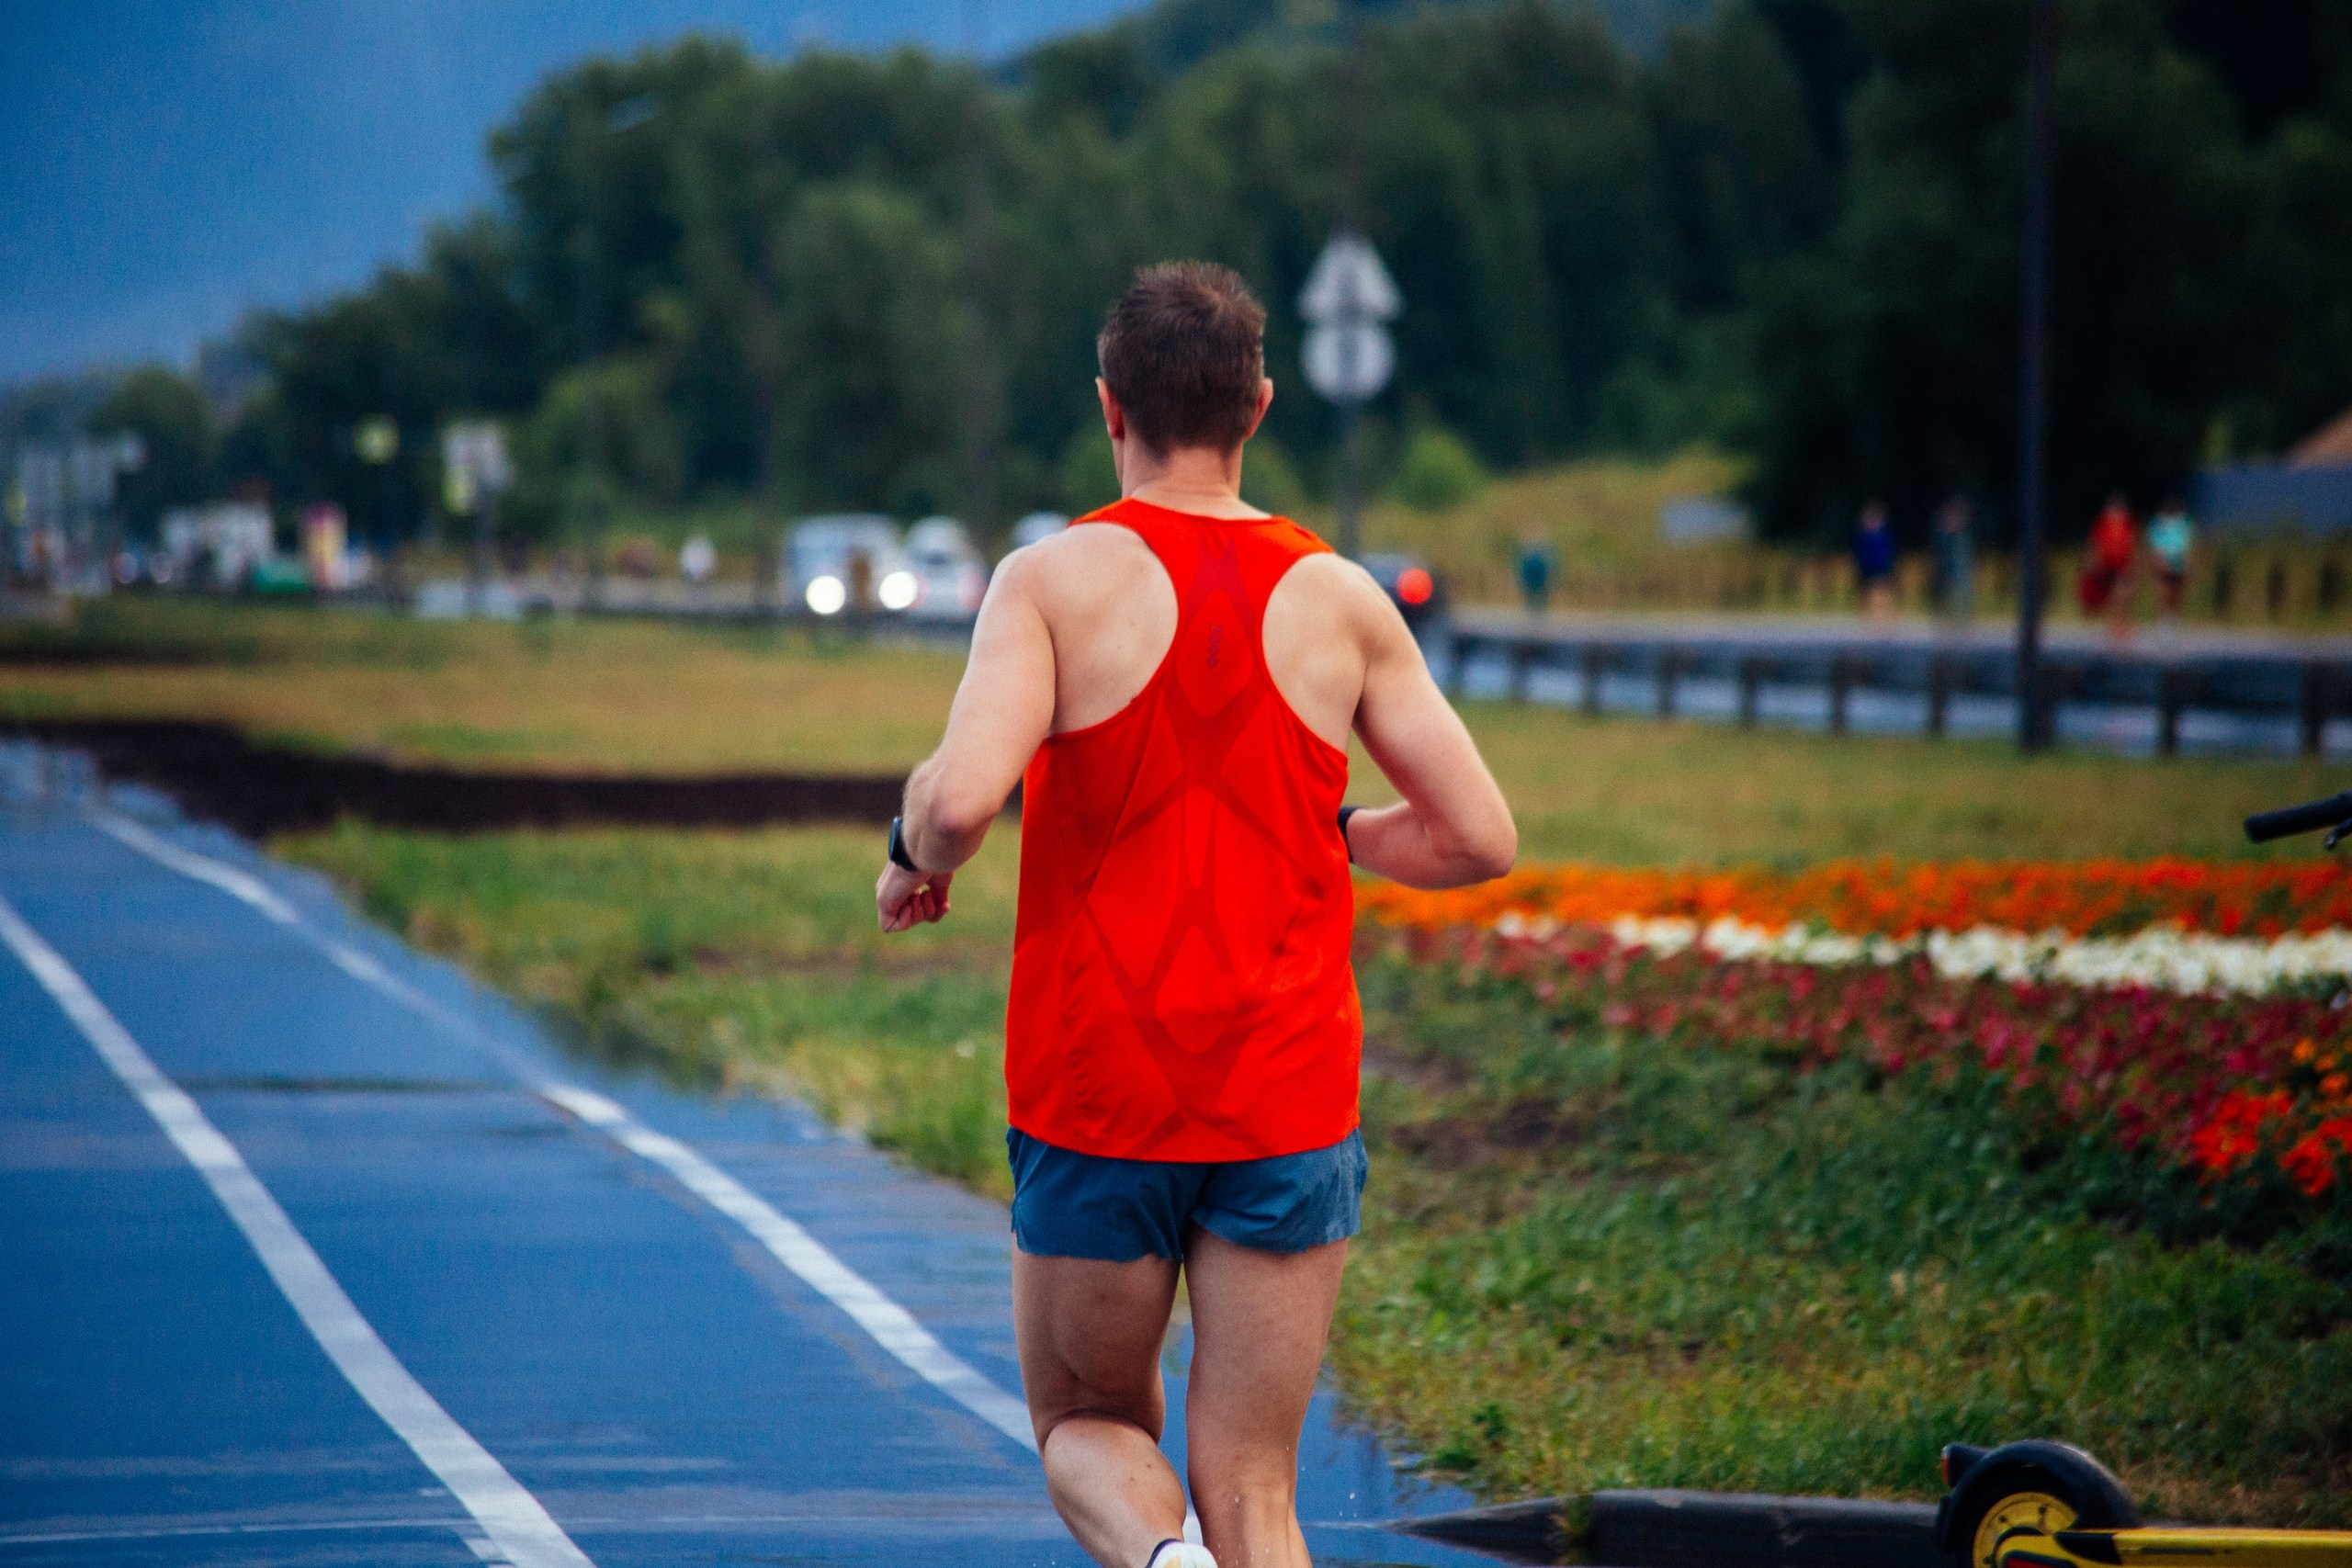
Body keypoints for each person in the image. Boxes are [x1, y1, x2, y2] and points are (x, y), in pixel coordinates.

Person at [875, 263, 1516, 1568]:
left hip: (1098, 1091)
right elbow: (1480, 837)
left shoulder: (1047, 583)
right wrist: (1344, 833)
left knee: (1089, 1419)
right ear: (1261, 407)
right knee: (1257, 1487)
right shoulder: (1344, 597)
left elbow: (956, 814)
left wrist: (907, 838)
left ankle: (1161, 1563)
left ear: (1109, 407)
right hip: (1282, 1096)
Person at [2079, 491, 2138, 641]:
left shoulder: (2128, 523)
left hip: (2122, 564)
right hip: (2106, 565)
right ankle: (2114, 625)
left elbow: (2131, 544)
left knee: (2122, 595)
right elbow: (2095, 543)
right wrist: (2092, 562)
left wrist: (2133, 563)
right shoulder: (2103, 523)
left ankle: (2121, 625)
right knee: (2109, 597)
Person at [2146, 495, 2195, 632]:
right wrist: (2157, 560)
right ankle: (2163, 623)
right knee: (2163, 592)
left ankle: (2173, 620)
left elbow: (2187, 543)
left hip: (2178, 560)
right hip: (2164, 559)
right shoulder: (2158, 523)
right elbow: (2155, 543)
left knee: (2176, 593)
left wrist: (2187, 561)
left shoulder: (2183, 523)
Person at [1931, 494, 1974, 625]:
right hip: (1946, 570)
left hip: (1960, 571)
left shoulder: (1963, 535)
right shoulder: (1943, 535)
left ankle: (1962, 622)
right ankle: (1946, 622)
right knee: (1944, 597)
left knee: (1961, 598)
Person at [1853, 498, 1896, 621]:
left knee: (1883, 594)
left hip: (1882, 568)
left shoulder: (1884, 533)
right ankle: (1865, 621)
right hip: (1866, 568)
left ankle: (1887, 620)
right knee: (1864, 595)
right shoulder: (1862, 534)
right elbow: (1858, 552)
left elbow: (1888, 552)